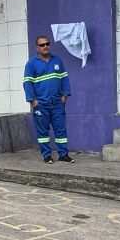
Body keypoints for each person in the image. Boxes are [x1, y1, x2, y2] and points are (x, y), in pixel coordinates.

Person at [22, 34, 72, 163]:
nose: (45, 46)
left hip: (57, 103)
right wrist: (33, 101)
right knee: (43, 132)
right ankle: (47, 155)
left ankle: (63, 155)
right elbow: (27, 83)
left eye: (47, 44)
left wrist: (65, 95)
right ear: (37, 48)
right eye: (42, 45)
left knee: (60, 130)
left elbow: (65, 79)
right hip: (41, 104)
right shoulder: (31, 64)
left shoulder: (57, 61)